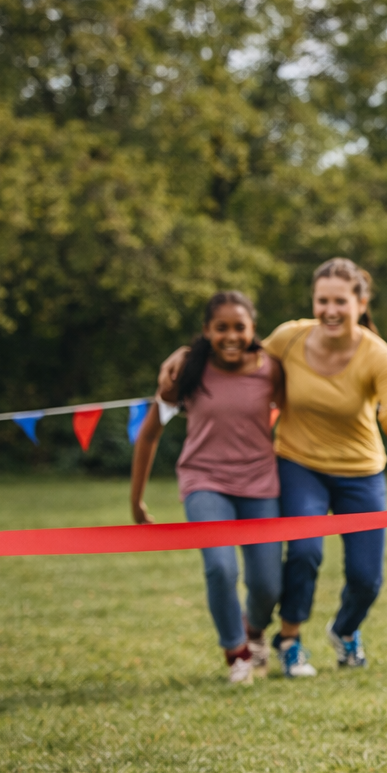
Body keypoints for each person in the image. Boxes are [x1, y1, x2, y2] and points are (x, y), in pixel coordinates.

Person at [161, 260, 387, 678]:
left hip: (361, 471)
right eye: (323, 300)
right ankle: (290, 641)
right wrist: (186, 354)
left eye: (340, 301)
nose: (331, 310)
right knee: (303, 552)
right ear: (313, 302)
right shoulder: (288, 338)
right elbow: (235, 352)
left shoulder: (378, 355)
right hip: (300, 464)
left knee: (366, 577)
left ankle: (345, 630)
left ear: (360, 302)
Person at [131, 291, 284, 685]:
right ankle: (236, 653)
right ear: (206, 331)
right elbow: (148, 435)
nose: (230, 336)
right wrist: (136, 500)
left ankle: (254, 629)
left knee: (267, 583)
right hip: (205, 482)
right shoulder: (188, 370)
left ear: (253, 330)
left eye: (239, 327)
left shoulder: (271, 369)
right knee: (220, 567)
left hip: (260, 484)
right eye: (221, 328)